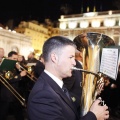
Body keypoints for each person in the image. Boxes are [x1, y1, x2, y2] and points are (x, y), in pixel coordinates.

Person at [27, 36, 109, 120]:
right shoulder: (42, 96)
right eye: (70, 57)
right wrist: (93, 115)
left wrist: (92, 99)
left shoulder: (56, 84)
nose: (74, 63)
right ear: (54, 58)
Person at [0, 51, 26, 120]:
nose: (16, 61)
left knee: (19, 113)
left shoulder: (15, 66)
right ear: (8, 58)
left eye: (16, 59)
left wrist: (19, 69)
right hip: (6, 94)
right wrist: (20, 75)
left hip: (14, 93)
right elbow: (8, 80)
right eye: (14, 58)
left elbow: (22, 79)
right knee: (2, 114)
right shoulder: (4, 66)